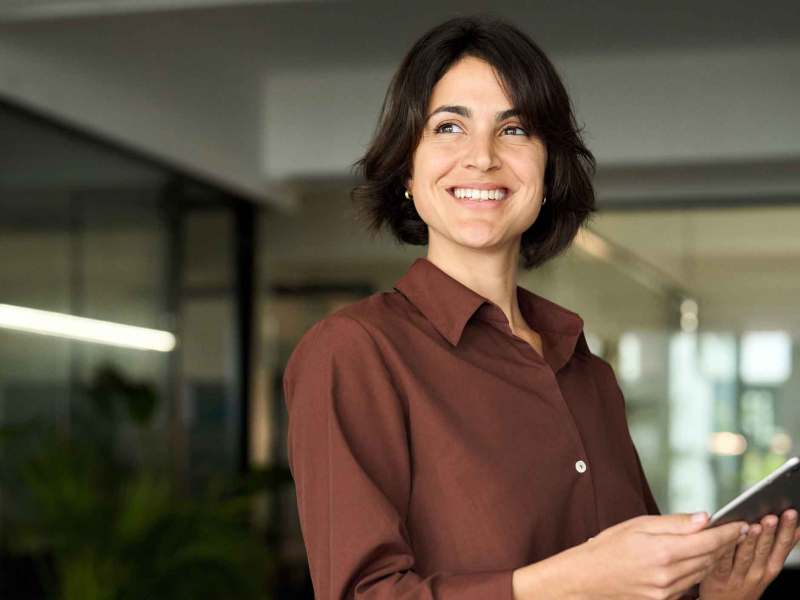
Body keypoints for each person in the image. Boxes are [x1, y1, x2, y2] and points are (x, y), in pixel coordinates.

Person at [282, 15, 800, 600]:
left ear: (549, 171)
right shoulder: (354, 351)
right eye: (449, 126)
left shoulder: (590, 375)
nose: (482, 158)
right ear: (407, 166)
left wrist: (720, 595)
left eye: (515, 130)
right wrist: (573, 579)